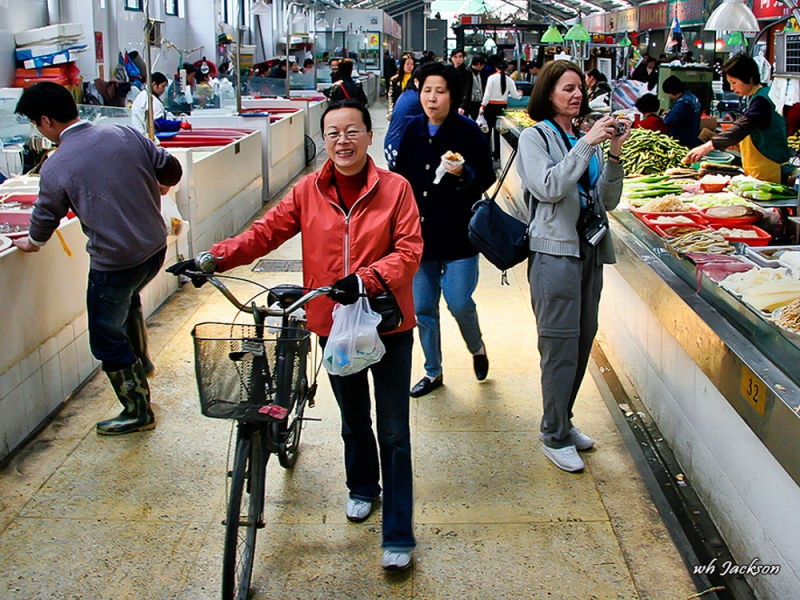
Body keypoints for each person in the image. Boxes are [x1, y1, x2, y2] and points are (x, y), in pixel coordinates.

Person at [174, 99, 423, 571]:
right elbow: (265, 233)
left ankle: (398, 533)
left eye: (352, 131)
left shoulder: (396, 189)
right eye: (332, 133)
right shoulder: (307, 191)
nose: (342, 141)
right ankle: (362, 486)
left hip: (388, 324)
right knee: (353, 418)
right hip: (331, 322)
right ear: (324, 141)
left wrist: (364, 279)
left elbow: (410, 250)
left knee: (393, 429)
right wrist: (213, 258)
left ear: (371, 136)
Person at [13, 82, 183, 436]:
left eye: (35, 123)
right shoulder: (123, 133)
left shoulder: (57, 164)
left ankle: (138, 410)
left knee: (105, 337)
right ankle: (142, 363)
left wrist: (31, 243)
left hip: (116, 262)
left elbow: (45, 217)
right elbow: (170, 169)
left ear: (46, 121)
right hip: (153, 249)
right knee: (127, 301)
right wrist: (159, 184)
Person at [517, 60, 628, 473]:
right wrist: (587, 144)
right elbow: (548, 187)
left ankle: (564, 420)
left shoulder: (582, 137)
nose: (577, 95)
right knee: (559, 346)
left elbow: (608, 200)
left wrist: (613, 152)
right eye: (567, 88)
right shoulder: (536, 137)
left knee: (582, 341)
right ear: (549, 94)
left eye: (580, 88)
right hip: (555, 255)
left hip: (590, 252)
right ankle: (553, 433)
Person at [394, 62, 496, 397]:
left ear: (452, 95)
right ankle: (432, 371)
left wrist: (463, 173)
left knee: (459, 301)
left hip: (459, 236)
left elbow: (486, 176)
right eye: (426, 90)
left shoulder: (467, 132)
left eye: (440, 91)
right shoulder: (411, 130)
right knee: (423, 308)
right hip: (419, 239)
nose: (432, 98)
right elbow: (399, 179)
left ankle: (477, 346)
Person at [685, 53, 791, 183]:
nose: (732, 88)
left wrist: (709, 145)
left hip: (768, 172)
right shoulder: (762, 95)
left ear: (750, 78)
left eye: (734, 82)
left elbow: (744, 125)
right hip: (760, 170)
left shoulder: (762, 100)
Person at [480, 61, 522, 161]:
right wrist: (520, 93)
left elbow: (487, 94)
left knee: (487, 132)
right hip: (502, 107)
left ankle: (486, 154)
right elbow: (516, 96)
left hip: (490, 107)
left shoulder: (491, 78)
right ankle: (497, 155)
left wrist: (482, 106)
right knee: (499, 132)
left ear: (496, 67)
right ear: (507, 69)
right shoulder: (509, 80)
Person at [384, 75, 423, 171]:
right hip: (400, 148)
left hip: (392, 145)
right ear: (416, 81)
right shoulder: (418, 99)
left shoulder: (407, 93)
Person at [662, 75, 702, 148]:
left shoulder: (683, 102)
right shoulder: (693, 98)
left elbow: (668, 120)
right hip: (693, 139)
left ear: (673, 91)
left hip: (682, 141)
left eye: (668, 94)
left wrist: (665, 116)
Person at [387, 54, 415, 120]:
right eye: (407, 64)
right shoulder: (395, 80)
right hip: (398, 110)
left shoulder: (416, 79)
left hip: (412, 111)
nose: (410, 67)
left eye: (412, 64)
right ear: (402, 65)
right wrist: (391, 111)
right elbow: (391, 96)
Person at [460, 54, 487, 119]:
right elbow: (466, 89)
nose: (483, 67)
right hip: (470, 102)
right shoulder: (468, 72)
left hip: (477, 101)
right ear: (479, 64)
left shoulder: (478, 73)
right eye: (483, 65)